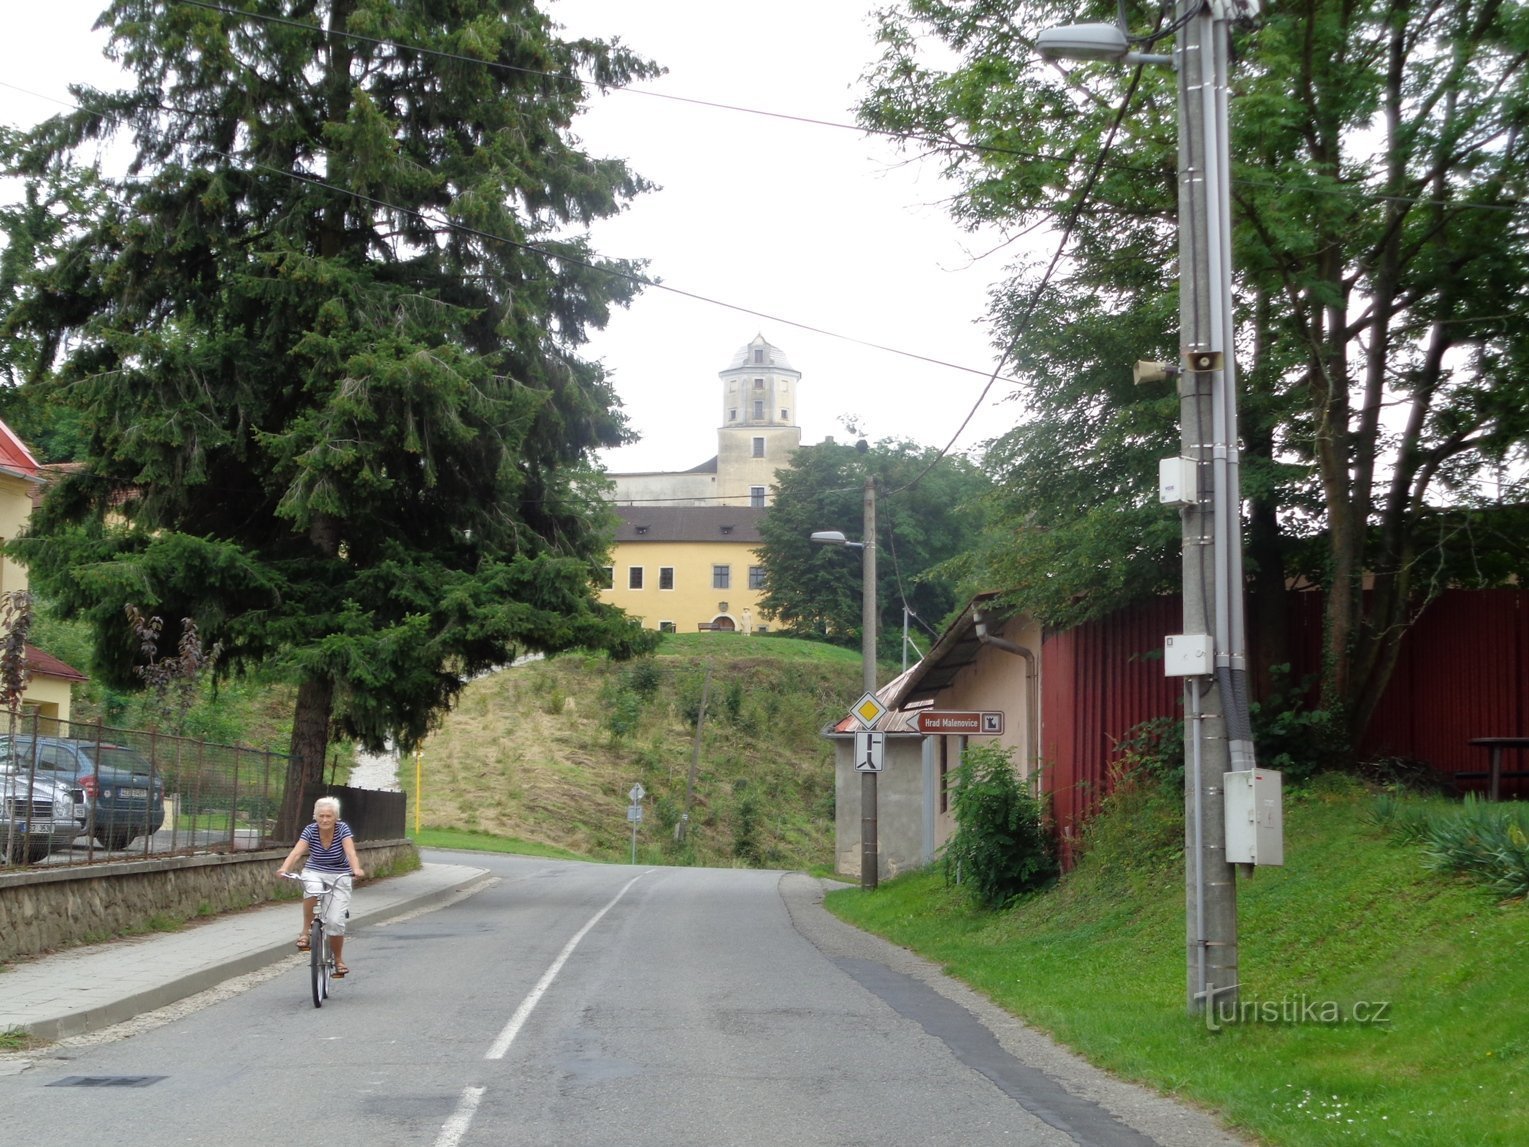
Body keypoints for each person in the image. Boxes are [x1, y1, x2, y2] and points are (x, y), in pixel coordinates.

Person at [277, 796, 365, 978]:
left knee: (335, 922)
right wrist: (284, 869)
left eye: (329, 816)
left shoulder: (342, 829)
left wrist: (356, 869)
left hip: (340, 874)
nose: (325, 820)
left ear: (336, 817)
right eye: (321, 816)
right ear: (315, 816)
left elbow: (350, 852)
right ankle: (305, 932)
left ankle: (339, 960)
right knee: (311, 890)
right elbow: (297, 852)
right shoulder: (310, 830)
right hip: (314, 871)